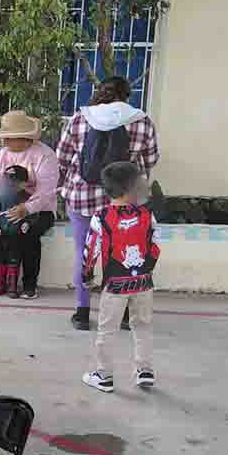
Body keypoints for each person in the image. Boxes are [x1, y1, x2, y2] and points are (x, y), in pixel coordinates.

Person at [57, 76, 159, 330]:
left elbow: (63, 157)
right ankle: (122, 314)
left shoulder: (81, 118)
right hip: (124, 200)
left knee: (83, 252)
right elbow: (151, 160)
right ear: (127, 95)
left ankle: (82, 313)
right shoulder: (141, 121)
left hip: (82, 197)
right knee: (123, 254)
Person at [81, 162, 160, 393]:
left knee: (107, 329)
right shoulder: (147, 215)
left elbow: (90, 250)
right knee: (142, 325)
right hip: (144, 283)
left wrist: (86, 277)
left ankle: (104, 375)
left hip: (115, 285)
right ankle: (145, 371)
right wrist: (146, 269)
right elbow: (155, 246)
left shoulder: (101, 217)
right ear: (133, 188)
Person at [0, 111, 59, 299]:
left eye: (8, 138)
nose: (4, 143)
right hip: (5, 207)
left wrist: (26, 209)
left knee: (27, 233)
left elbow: (46, 191)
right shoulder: (0, 156)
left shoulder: (45, 155)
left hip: (39, 209)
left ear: (24, 138)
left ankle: (30, 284)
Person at [0, 165, 40, 298]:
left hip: (16, 235)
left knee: (14, 260)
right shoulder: (1, 197)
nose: (10, 184)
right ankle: (0, 285)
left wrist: (27, 223)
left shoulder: (27, 198)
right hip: (1, 235)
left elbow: (34, 213)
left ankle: (12, 287)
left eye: (14, 181)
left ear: (23, 183)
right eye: (8, 181)